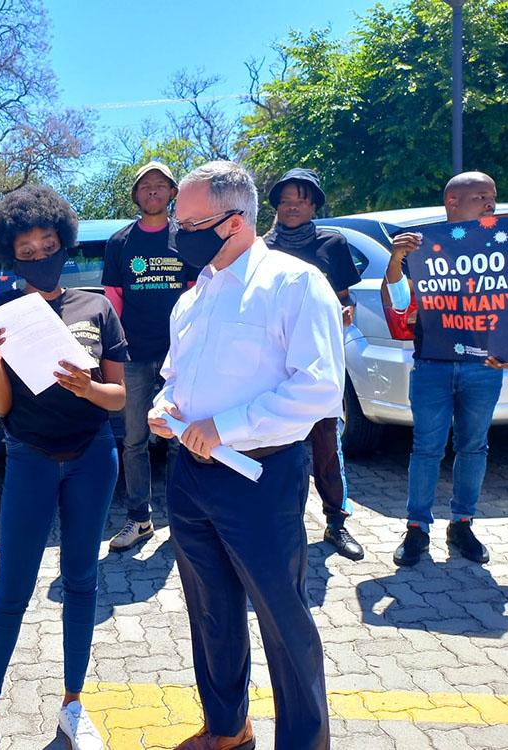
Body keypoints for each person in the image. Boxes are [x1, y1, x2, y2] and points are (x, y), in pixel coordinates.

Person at [148, 162, 344, 749]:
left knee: (284, 622)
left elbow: (319, 388)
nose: (176, 234)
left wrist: (224, 425)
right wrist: (166, 407)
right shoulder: (197, 294)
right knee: (211, 614)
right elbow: (174, 377)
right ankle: (228, 729)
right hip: (190, 477)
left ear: (234, 223)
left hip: (262, 477)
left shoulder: (293, 283)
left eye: (188, 223)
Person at [0, 185, 128, 750]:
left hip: (91, 458)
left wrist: (88, 387)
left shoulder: (97, 306)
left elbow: (119, 398)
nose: (39, 256)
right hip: (30, 458)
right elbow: (1, 408)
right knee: (12, 587)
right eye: (26, 250)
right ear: (12, 254)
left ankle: (73, 705)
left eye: (48, 244)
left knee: (82, 581)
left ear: (65, 242)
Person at [384, 171, 508, 567]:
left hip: (484, 366)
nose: (490, 203)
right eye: (480, 197)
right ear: (452, 202)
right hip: (432, 364)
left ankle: (463, 524)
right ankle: (417, 528)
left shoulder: (501, 245)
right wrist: (396, 259)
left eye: (492, 197)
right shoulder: (422, 247)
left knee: (474, 446)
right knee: (426, 449)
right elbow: (399, 300)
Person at [264, 167, 365, 561]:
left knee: (326, 443)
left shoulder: (332, 243)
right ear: (275, 205)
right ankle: (278, 522)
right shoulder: (262, 246)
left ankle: (337, 521)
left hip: (320, 361)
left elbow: (345, 299)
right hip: (272, 362)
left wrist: (344, 313)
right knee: (275, 444)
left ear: (314, 204)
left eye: (301, 200)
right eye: (285, 200)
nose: (292, 207)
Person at [101, 161, 197, 552]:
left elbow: (197, 292)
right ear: (136, 195)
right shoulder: (120, 243)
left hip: (181, 357)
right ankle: (139, 518)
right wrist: (119, 347)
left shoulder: (188, 239)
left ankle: (184, 518)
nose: (153, 191)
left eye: (161, 185)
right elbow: (113, 299)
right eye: (146, 186)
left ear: (172, 193)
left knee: (181, 438)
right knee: (135, 440)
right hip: (135, 357)